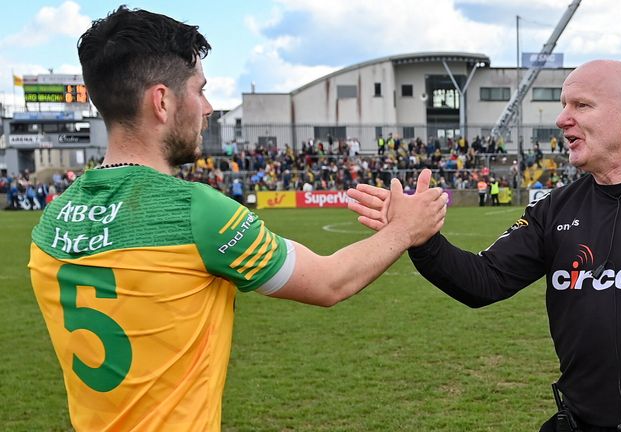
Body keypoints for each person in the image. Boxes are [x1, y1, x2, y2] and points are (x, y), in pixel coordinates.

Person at [27, 7, 447, 432]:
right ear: (162, 100)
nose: (208, 107)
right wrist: (406, 229)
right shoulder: (197, 212)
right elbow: (329, 282)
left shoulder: (52, 221)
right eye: (200, 89)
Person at [347, 59, 621, 431]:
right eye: (564, 105)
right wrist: (422, 240)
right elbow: (484, 281)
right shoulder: (553, 208)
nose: (562, 119)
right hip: (581, 420)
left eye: (581, 105)